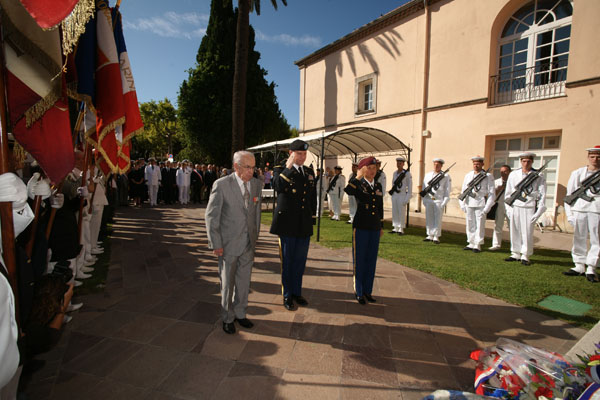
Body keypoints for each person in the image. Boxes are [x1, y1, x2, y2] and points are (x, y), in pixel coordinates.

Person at [206, 151, 262, 334]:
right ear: (236, 166)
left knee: (244, 282)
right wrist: (216, 243)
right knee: (227, 284)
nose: (252, 171)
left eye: (254, 167)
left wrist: (255, 236)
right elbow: (212, 216)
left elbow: (256, 213)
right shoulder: (221, 185)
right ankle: (227, 317)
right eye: (248, 167)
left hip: (248, 243)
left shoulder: (256, 184)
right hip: (228, 244)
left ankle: (240, 313)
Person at [270, 139, 316, 311]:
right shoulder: (280, 169)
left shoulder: (309, 171)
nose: (302, 157)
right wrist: (288, 168)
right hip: (287, 223)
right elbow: (277, 186)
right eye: (299, 154)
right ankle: (287, 295)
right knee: (288, 261)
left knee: (300, 261)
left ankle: (297, 292)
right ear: (291, 154)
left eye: (304, 154)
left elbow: (312, 198)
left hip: (303, 224)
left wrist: (312, 219)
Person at [344, 157, 383, 305]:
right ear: (364, 169)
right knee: (359, 260)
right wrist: (358, 176)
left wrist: (380, 226)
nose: (373, 171)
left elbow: (379, 208)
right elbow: (348, 190)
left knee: (371, 260)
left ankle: (368, 291)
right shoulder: (359, 184)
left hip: (374, 227)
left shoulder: (378, 185)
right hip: (361, 227)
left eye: (374, 168)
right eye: (369, 168)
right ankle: (359, 292)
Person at [563, 145, 600, 283]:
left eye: (598, 157)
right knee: (579, 237)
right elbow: (570, 195)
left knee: (596, 239)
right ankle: (579, 265)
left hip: (597, 209)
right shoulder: (578, 173)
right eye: (592, 156)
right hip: (580, 209)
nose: (595, 159)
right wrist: (570, 214)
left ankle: (591, 267)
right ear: (588, 157)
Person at [504, 152, 547, 265]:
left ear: (532, 162)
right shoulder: (513, 174)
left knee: (527, 232)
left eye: (528, 161)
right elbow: (508, 193)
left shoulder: (538, 175)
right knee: (515, 230)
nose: (526, 163)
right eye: (524, 161)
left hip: (528, 207)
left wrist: (539, 211)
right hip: (515, 206)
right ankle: (515, 253)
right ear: (521, 161)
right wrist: (508, 208)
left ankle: (525, 255)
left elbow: (542, 194)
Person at [459, 156, 495, 253]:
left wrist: (487, 207)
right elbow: (463, 190)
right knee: (470, 223)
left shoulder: (487, 176)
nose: (476, 165)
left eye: (478, 163)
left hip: (480, 203)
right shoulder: (468, 175)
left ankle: (477, 244)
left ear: (482, 164)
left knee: (479, 224)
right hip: (469, 202)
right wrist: (462, 204)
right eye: (474, 163)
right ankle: (471, 242)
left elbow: (492, 193)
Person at [422, 158, 451, 244]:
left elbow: (447, 190)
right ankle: (429, 234)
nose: (436, 166)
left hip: (438, 200)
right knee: (429, 217)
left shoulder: (446, 176)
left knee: (437, 219)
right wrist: (424, 199)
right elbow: (424, 188)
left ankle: (436, 236)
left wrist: (445, 201)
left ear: (441, 166)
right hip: (429, 199)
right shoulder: (428, 175)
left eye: (438, 165)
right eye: (435, 164)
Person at [489, 165, 511, 250]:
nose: (503, 173)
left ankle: (515, 246)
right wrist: (499, 189)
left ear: (509, 172)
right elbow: (492, 195)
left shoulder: (513, 181)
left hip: (510, 205)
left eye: (505, 171)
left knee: (512, 226)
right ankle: (496, 244)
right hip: (500, 204)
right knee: (498, 225)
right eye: (501, 171)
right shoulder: (497, 181)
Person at [389, 156, 412, 235]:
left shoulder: (407, 174)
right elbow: (393, 183)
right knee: (395, 211)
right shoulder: (395, 173)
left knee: (401, 212)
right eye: (398, 163)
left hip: (402, 195)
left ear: (403, 164)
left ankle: (401, 228)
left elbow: (409, 186)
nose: (399, 164)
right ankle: (395, 227)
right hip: (395, 194)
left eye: (400, 163)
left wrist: (407, 198)